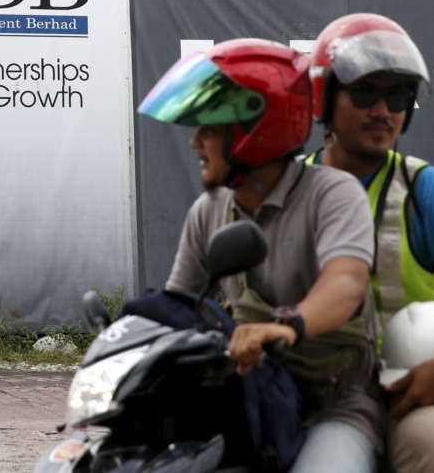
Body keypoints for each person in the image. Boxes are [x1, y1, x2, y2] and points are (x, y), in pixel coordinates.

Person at [138, 38, 382, 472]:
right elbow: (179, 308)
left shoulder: (332, 194)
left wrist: (287, 326)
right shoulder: (210, 210)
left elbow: (345, 284)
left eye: (209, 129)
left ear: (255, 131)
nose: (195, 142)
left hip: (331, 402)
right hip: (248, 399)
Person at [307, 12, 434, 472]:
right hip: (314, 388)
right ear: (323, 98)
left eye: (398, 95)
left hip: (414, 385)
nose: (383, 110)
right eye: (365, 92)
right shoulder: (290, 190)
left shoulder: (424, 188)